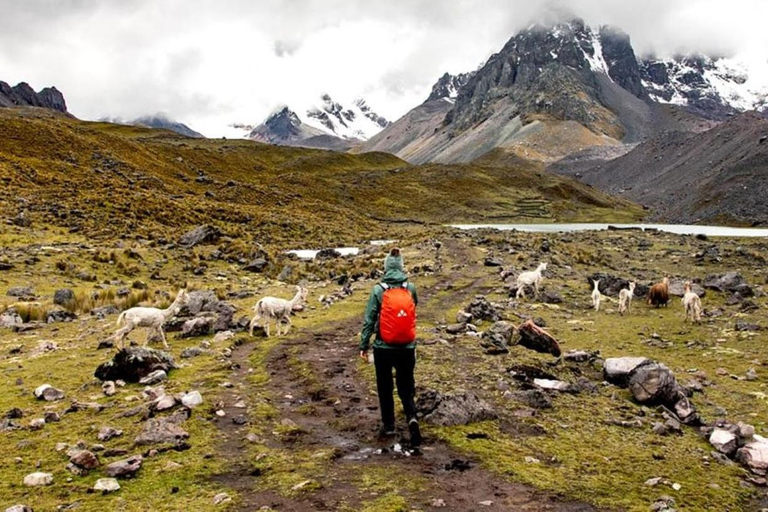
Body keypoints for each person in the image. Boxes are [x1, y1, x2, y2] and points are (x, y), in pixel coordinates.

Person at [360, 247, 421, 446]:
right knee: (406, 384)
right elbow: (413, 310)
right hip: (407, 346)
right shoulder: (410, 288)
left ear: (386, 267)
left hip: (383, 348)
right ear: (402, 267)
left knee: (385, 386)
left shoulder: (378, 290)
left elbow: (369, 320)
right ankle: (412, 416)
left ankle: (389, 425)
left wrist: (364, 344)